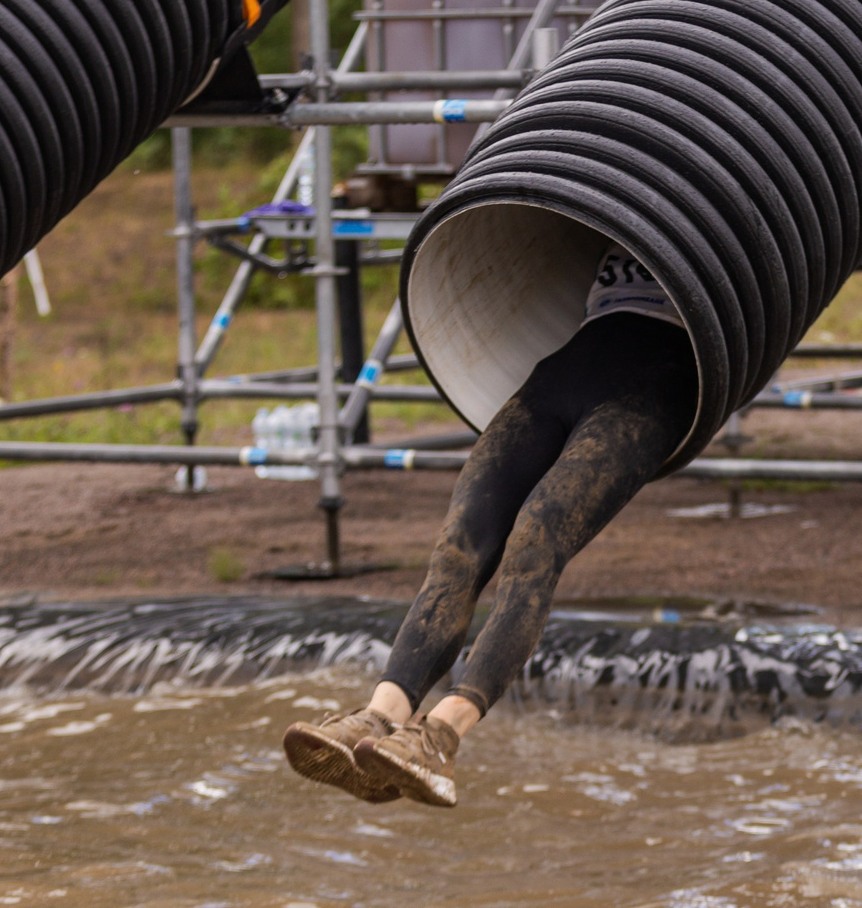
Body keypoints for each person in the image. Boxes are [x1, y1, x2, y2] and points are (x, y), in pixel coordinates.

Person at [282, 242, 697, 810]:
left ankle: (441, 735)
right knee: (460, 543)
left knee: (536, 541)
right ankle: (379, 720)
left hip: (655, 385)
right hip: (568, 364)